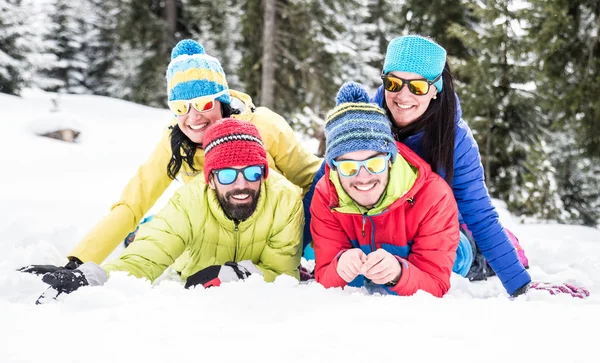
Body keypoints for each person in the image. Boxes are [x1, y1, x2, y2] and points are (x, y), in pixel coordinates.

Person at [62, 39, 321, 269]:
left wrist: (299, 236)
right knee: (170, 239)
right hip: (217, 236)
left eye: (204, 104)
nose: (193, 117)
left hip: (277, 230)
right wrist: (80, 261)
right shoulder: (176, 142)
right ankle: (141, 233)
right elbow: (133, 202)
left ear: (222, 101)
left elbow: (314, 178)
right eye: (181, 107)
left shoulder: (264, 126)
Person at [370, 34, 588, 298]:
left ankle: (482, 255)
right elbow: (330, 183)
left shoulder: (456, 141)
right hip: (382, 225)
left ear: (435, 89)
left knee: (444, 259)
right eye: (393, 82)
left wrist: (522, 286)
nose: (402, 95)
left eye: (416, 87)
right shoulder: (365, 123)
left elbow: (479, 212)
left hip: (442, 230)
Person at [20, 118, 303, 297]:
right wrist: (97, 276)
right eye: (228, 175)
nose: (242, 184)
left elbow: (282, 273)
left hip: (228, 266)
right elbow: (146, 258)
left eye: (252, 173)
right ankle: (137, 232)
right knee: (149, 235)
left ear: (264, 174)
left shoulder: (284, 200)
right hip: (186, 262)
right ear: (211, 179)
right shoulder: (190, 201)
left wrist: (240, 274)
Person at [310, 81, 460, 298]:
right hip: (370, 245)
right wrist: (339, 266)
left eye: (374, 164)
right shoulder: (326, 195)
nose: (363, 177)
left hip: (447, 246)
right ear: (334, 168)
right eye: (349, 167)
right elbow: (324, 275)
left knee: (465, 258)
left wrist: (399, 273)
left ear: (390, 160)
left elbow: (436, 283)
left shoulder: (434, 196)